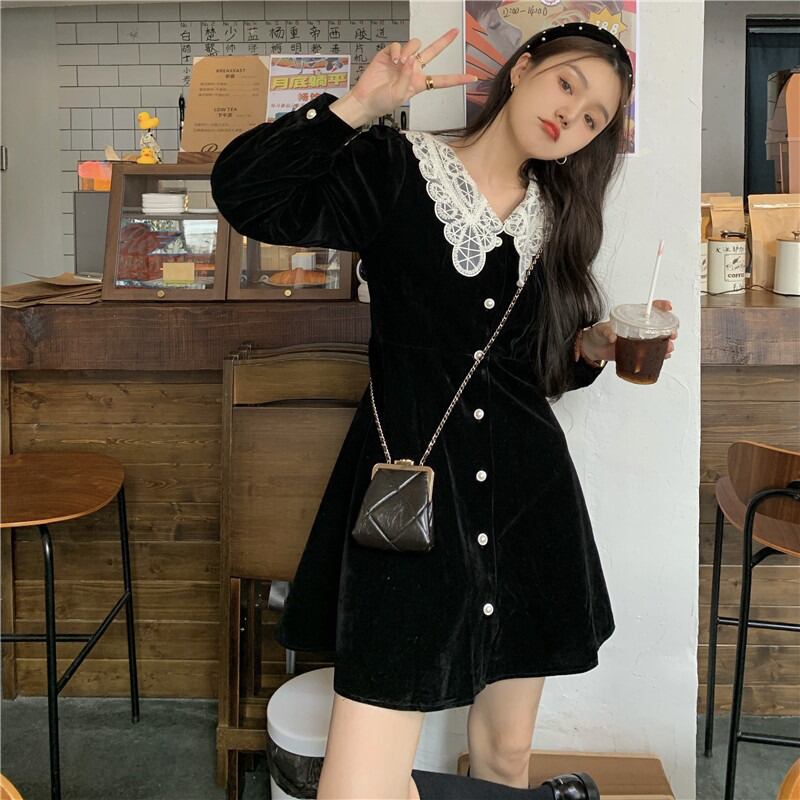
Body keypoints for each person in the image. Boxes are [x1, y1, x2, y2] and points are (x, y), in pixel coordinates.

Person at [211, 21, 678, 800]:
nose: (572, 115)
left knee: (506, 756)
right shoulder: (397, 167)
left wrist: (591, 347)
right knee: (357, 787)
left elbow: (526, 372)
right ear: (522, 70)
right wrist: (359, 104)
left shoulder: (557, 218)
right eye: (567, 84)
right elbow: (248, 194)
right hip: (412, 503)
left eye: (594, 117)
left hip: (529, 505)